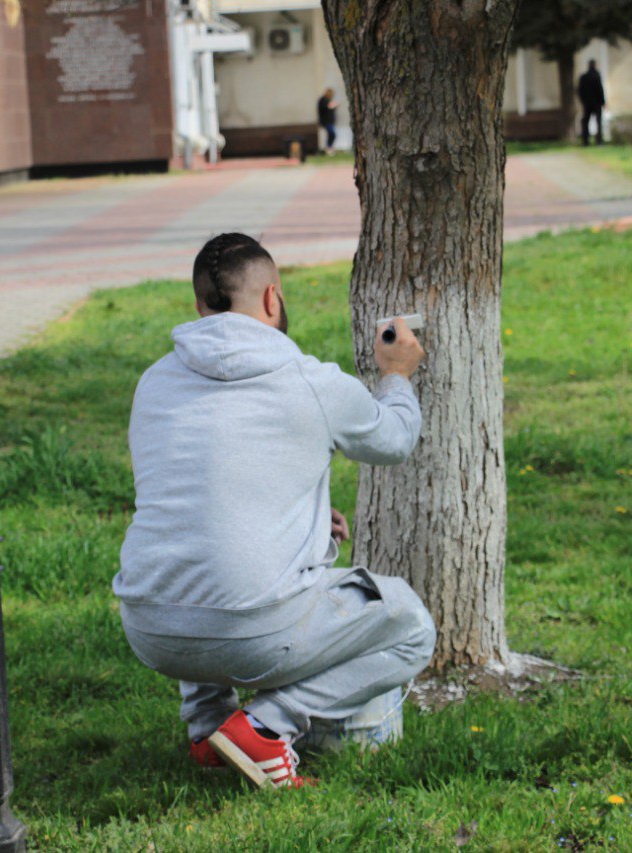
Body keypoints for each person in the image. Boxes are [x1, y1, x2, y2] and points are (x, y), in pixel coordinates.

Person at [114, 232, 435, 789]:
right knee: (411, 624)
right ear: (271, 299)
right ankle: (263, 728)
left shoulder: (154, 383)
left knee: (198, 556)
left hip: (151, 625)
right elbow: (395, 440)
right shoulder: (308, 380)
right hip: (250, 630)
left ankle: (209, 731)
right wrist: (397, 374)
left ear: (199, 307)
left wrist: (307, 519)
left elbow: (208, 497)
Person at [577, 60, 606, 146]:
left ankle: (585, 141)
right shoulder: (596, 76)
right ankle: (599, 141)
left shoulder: (584, 77)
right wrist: (603, 102)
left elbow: (580, 91)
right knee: (598, 122)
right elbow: (600, 90)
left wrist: (583, 101)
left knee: (586, 122)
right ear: (595, 65)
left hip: (587, 103)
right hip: (597, 103)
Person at [317, 88, 338, 155]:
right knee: (332, 134)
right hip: (325, 121)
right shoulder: (322, 100)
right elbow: (323, 109)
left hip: (330, 121)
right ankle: (328, 147)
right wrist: (330, 106)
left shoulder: (329, 100)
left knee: (331, 134)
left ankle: (329, 147)